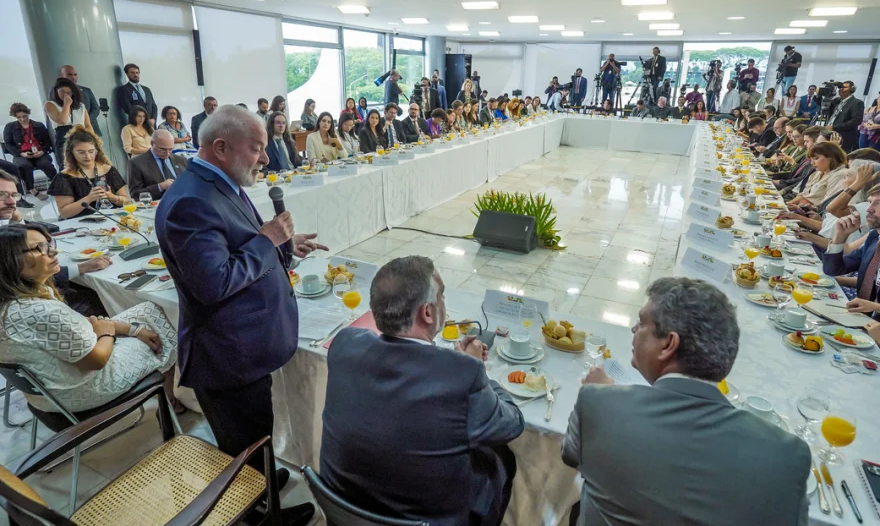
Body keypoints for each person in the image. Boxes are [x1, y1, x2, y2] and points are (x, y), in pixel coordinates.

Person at [155, 106, 325, 524]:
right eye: (257, 149)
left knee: (255, 434)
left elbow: (238, 243)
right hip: (228, 355)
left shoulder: (219, 181)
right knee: (242, 441)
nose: (265, 158)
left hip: (247, 343)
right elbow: (213, 284)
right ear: (220, 147)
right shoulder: (189, 203)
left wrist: (283, 244)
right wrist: (268, 239)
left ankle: (261, 479)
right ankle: (259, 514)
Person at [562, 277, 810, 526]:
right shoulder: (787, 457)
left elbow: (571, 455)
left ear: (668, 344)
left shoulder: (597, 404)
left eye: (641, 322)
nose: (633, 330)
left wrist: (607, 395)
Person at [321, 256, 524, 526]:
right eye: (441, 296)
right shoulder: (462, 373)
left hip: (345, 508)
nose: (444, 303)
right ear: (427, 312)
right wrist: (478, 370)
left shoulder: (345, 343)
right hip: (429, 520)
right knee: (501, 457)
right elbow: (512, 423)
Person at [0, 222, 181, 414]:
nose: (53, 252)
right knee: (163, 331)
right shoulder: (38, 309)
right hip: (83, 390)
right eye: (39, 248)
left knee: (149, 310)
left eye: (49, 244)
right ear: (9, 260)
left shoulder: (18, 297)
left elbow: (69, 328)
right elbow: (95, 361)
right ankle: (172, 398)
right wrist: (107, 334)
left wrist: (132, 330)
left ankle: (171, 390)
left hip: (48, 389)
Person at [0, 172, 110, 317]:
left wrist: (19, 222)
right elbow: (23, 273)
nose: (12, 202)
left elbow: (42, 244)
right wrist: (81, 267)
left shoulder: (6, 223)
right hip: (30, 307)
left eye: (14, 195)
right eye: (2, 194)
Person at [49, 127, 129, 219]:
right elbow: (65, 213)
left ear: (96, 151)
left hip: (113, 218)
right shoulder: (64, 177)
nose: (87, 156)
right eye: (81, 152)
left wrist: (112, 197)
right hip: (82, 223)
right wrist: (89, 198)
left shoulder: (109, 170)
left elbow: (126, 201)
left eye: (91, 151)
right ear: (71, 153)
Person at [823, 185, 880, 315]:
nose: (869, 209)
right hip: (858, 314)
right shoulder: (874, 237)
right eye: (870, 202)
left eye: (878, 203)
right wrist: (839, 237)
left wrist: (875, 307)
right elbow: (833, 270)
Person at [4, 103, 56, 200]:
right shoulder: (10, 127)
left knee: (46, 164)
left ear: (28, 114)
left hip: (39, 153)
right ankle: (32, 189)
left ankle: (58, 184)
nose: (22, 119)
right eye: (19, 117)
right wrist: (21, 153)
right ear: (15, 116)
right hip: (21, 154)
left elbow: (47, 142)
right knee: (23, 165)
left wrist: (42, 151)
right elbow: (8, 144)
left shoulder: (39, 125)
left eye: (25, 116)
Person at [127, 128, 188, 201]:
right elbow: (135, 194)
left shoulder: (181, 160)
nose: (167, 153)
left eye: (170, 149)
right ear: (152, 144)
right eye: (163, 149)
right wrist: (160, 187)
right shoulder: (137, 163)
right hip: (156, 206)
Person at [45, 77, 94, 159]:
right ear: (56, 91)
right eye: (62, 92)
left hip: (81, 136)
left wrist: (92, 140)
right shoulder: (50, 104)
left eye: (69, 92)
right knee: (67, 166)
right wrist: (66, 104)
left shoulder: (80, 106)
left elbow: (88, 125)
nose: (66, 95)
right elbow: (62, 120)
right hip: (64, 138)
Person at [787, 142, 848, 208]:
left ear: (831, 157)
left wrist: (799, 209)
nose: (812, 163)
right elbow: (803, 196)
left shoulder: (839, 175)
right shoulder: (817, 173)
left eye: (816, 158)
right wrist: (786, 205)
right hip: (801, 209)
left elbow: (827, 204)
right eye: (811, 159)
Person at [59, 65, 101, 136]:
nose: (73, 77)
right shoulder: (57, 92)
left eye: (75, 74)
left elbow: (96, 109)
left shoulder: (86, 90)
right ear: (62, 75)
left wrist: (85, 121)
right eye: (69, 74)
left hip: (91, 129)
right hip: (71, 132)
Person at [827, 81, 866, 152]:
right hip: (830, 134)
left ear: (852, 89)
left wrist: (835, 127)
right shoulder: (836, 101)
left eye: (844, 87)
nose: (841, 89)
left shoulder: (857, 103)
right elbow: (824, 109)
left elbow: (856, 121)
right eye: (840, 87)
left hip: (844, 137)